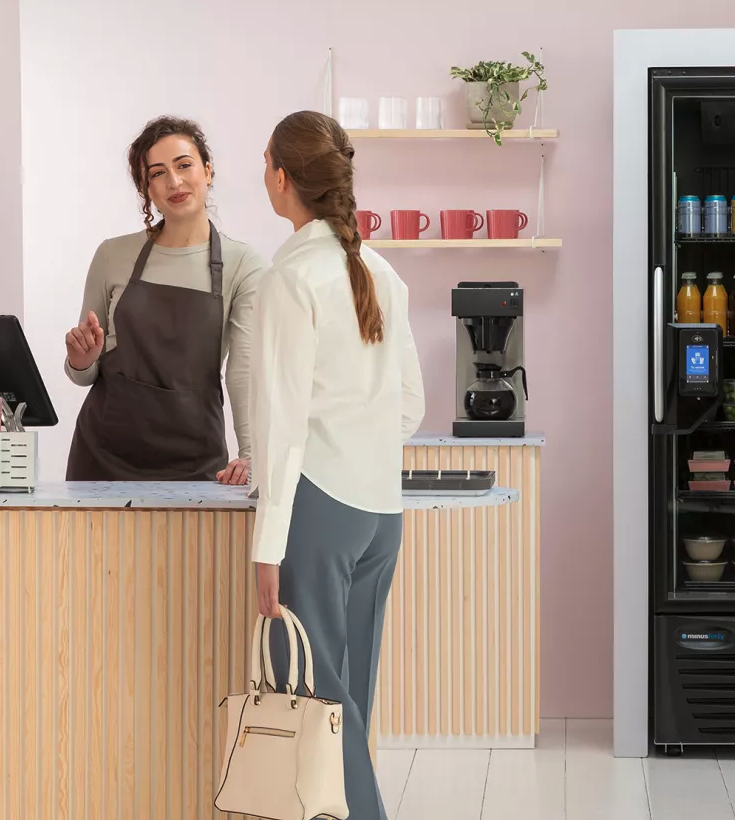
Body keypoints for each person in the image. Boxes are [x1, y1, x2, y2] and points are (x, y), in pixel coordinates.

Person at [247, 110, 424, 820]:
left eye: (265, 163)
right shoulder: (381, 271)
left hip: (317, 508)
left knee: (319, 697)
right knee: (348, 698)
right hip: (380, 511)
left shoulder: (290, 278)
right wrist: (362, 439)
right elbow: (409, 402)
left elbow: (281, 423)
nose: (264, 176)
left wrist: (267, 545)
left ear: (284, 179)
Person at [63, 115, 268, 484]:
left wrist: (251, 452)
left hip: (195, 459)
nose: (173, 181)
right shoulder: (112, 255)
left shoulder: (244, 265)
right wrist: (81, 361)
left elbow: (243, 370)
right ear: (147, 189)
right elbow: (84, 372)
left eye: (184, 165)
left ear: (207, 171)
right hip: (104, 457)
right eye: (157, 173)